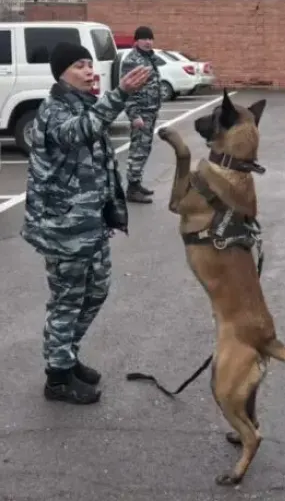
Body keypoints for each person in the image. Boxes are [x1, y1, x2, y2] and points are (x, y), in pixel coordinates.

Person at [20, 42, 151, 405]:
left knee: (96, 291)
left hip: (90, 224)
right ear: (62, 73)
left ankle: (67, 355)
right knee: (67, 301)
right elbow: (78, 132)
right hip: (64, 230)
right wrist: (120, 93)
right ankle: (57, 379)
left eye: (91, 65)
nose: (90, 71)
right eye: (80, 65)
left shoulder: (83, 105)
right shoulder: (54, 110)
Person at [120, 25, 164, 204]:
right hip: (141, 114)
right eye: (144, 38)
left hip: (150, 111)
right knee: (138, 150)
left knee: (144, 149)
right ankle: (131, 189)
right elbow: (128, 91)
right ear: (136, 41)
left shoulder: (150, 57)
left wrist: (155, 108)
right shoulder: (132, 60)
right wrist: (134, 115)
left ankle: (136, 183)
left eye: (150, 38)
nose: (148, 42)